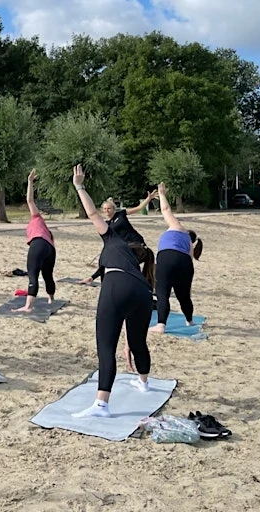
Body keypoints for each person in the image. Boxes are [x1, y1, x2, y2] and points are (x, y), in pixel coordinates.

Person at [69, 164, 153, 419]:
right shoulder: (137, 264)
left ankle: (101, 404)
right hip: (142, 294)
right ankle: (144, 382)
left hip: (117, 286)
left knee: (106, 347)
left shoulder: (112, 238)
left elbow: (92, 212)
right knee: (138, 343)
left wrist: (80, 186)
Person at [148, 183, 203, 334]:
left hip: (167, 257)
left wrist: (162, 194)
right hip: (185, 263)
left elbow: (165, 210)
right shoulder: (190, 246)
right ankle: (190, 320)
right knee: (184, 296)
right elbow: (188, 264)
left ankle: (161, 325)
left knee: (162, 293)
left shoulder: (177, 227)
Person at [79, 191, 158, 287]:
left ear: (113, 209)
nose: (107, 210)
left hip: (136, 244)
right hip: (124, 249)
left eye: (109, 208)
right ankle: (92, 277)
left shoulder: (121, 214)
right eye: (104, 209)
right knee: (107, 258)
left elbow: (138, 208)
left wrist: (148, 199)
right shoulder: (106, 225)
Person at [13, 169, 56, 313]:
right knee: (47, 275)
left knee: (33, 274)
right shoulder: (47, 234)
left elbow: (30, 200)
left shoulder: (36, 218)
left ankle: (28, 307)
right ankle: (51, 299)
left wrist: (30, 182)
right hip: (50, 250)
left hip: (38, 244)